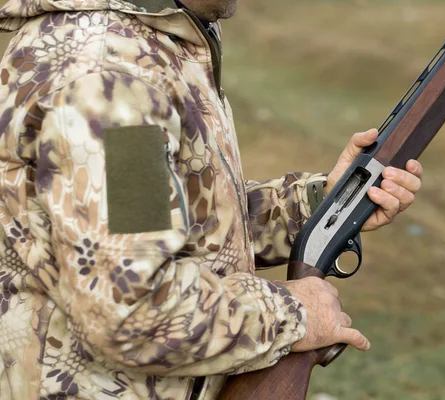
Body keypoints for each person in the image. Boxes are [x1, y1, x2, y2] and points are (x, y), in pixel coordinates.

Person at [0, 0, 423, 398]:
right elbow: (136, 310)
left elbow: (174, 227)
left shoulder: (155, 47)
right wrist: (292, 313)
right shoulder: (110, 82)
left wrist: (319, 204)